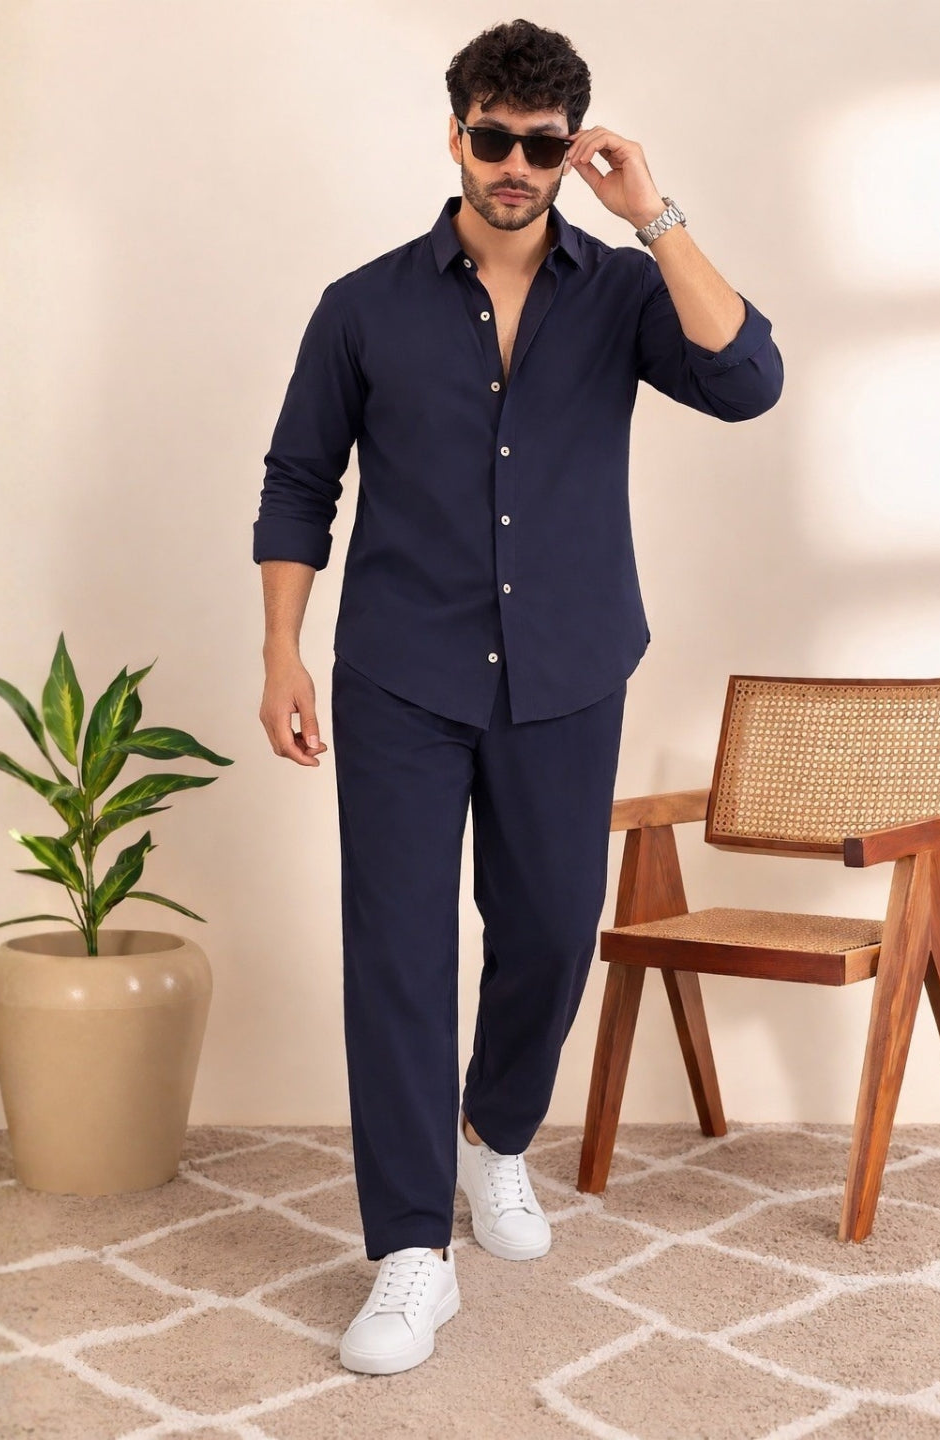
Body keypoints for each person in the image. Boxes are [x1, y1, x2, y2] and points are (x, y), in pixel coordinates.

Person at [253, 17, 783, 1376]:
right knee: (397, 947)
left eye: (541, 146)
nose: (513, 165)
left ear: (569, 151)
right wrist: (281, 653)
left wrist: (653, 212)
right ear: (455, 136)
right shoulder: (362, 304)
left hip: (568, 667)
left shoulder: (623, 294)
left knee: (550, 930)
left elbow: (748, 381)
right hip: (401, 672)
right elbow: (299, 481)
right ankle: (409, 1252)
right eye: (491, 137)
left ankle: (495, 1138)